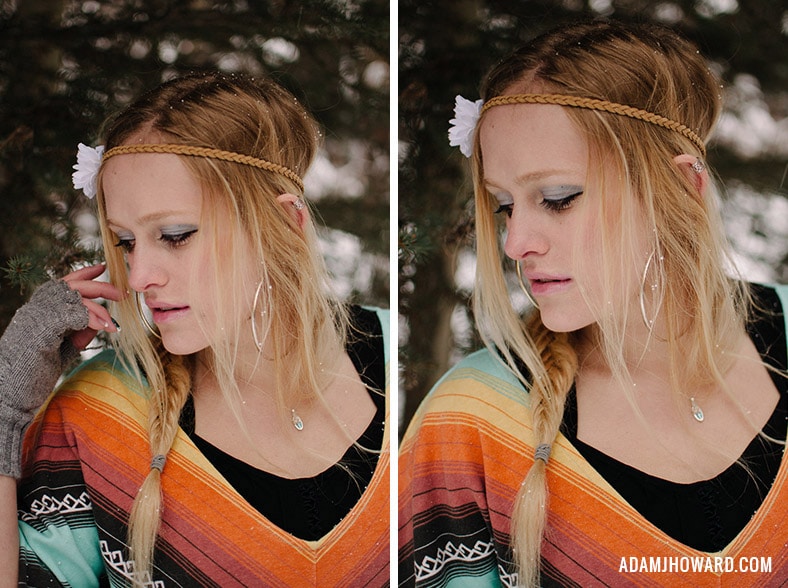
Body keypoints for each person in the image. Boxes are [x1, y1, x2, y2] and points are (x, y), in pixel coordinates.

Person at [399, 19, 787, 587]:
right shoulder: (470, 423)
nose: (514, 242)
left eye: (558, 198)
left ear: (681, 189)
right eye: (504, 206)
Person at [0, 71, 390, 586]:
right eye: (126, 242)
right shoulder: (97, 418)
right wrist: (4, 408)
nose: (139, 276)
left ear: (284, 225)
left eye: (176, 235)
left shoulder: (393, 360)